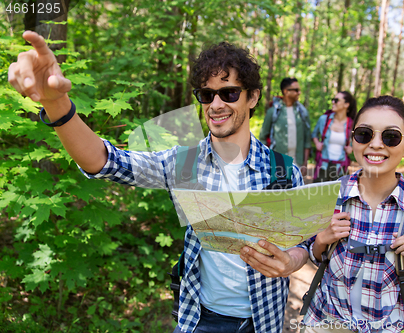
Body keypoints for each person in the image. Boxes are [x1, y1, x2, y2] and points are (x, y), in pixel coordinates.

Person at [8, 31, 311, 333]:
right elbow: (105, 161)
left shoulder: (282, 171)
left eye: (229, 93)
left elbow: (305, 242)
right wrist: (56, 102)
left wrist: (293, 261)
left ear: (253, 96)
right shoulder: (184, 164)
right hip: (199, 319)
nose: (216, 104)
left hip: (263, 321)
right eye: (206, 95)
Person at [301, 96, 404, 333]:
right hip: (324, 322)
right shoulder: (328, 196)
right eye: (364, 134)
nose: (376, 144)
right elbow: (314, 254)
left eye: (391, 137)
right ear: (353, 139)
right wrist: (320, 240)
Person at [259, 78, 311, 174]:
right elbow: (262, 137)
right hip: (277, 163)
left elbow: (307, 140)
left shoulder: (302, 112)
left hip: (297, 163)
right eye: (296, 90)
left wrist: (305, 163)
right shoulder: (273, 111)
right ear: (286, 92)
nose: (299, 92)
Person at [312, 91, 357, 182]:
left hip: (340, 166)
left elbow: (357, 141)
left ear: (346, 104)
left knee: (340, 195)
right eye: (333, 100)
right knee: (318, 193)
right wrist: (317, 143)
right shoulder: (324, 119)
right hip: (323, 164)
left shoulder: (352, 124)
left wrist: (351, 148)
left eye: (336, 100)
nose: (333, 102)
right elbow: (314, 134)